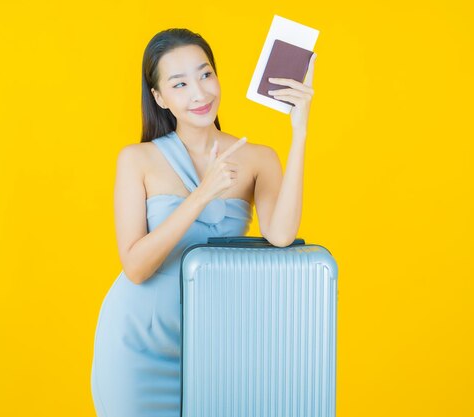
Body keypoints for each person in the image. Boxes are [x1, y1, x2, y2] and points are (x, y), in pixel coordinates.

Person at [90, 27, 316, 416]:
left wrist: (299, 131)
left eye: (205, 74)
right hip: (138, 347)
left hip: (214, 343)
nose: (200, 93)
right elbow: (136, 267)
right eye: (179, 84)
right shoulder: (137, 159)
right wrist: (202, 194)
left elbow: (281, 236)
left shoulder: (259, 159)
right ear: (159, 97)